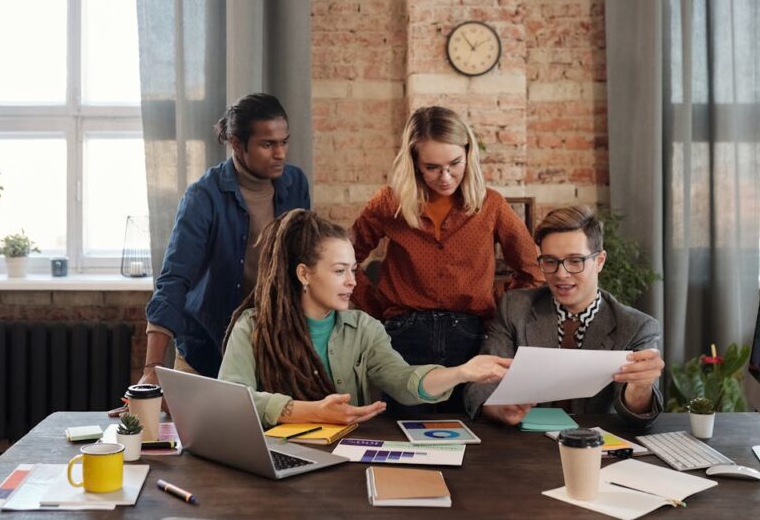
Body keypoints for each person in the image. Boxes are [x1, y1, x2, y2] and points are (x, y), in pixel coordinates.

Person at [218, 210, 511, 426]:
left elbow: (404, 381)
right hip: (275, 459)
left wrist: (462, 372)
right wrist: (311, 411)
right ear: (304, 273)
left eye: (353, 269)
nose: (352, 281)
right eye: (339, 271)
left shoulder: (364, 329)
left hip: (346, 462)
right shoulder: (253, 327)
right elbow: (231, 401)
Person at [350, 106, 544, 413]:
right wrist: (377, 307)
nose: (445, 177)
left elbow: (533, 271)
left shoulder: (491, 205)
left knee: (470, 435)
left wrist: (493, 301)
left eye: (455, 163)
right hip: (403, 338)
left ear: (469, 153)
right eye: (432, 167)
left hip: (469, 338)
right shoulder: (389, 204)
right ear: (414, 162)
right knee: (404, 433)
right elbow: (346, 261)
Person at [142, 93, 310, 385]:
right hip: (207, 354)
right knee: (198, 432)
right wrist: (152, 367)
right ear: (236, 143)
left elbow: (305, 261)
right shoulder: (203, 196)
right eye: (267, 144)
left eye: (284, 142)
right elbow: (174, 280)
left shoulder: (296, 184)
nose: (280, 153)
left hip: (274, 354)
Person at [464, 206, 665, 428]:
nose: (561, 274)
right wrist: (496, 408)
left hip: (596, 448)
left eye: (575, 261)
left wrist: (641, 387)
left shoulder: (637, 326)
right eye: (550, 261)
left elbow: (636, 417)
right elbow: (479, 385)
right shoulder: (515, 307)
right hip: (526, 446)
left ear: (599, 261)